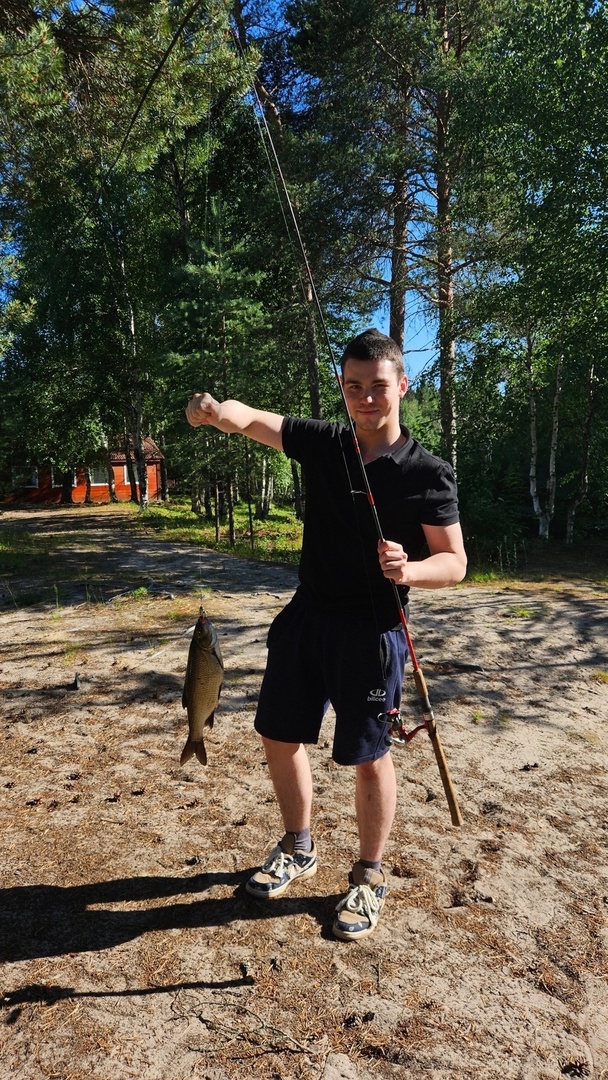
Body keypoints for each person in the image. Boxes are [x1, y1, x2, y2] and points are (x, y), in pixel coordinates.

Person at [185, 328, 467, 941]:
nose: (366, 398)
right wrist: (212, 411)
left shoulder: (428, 472)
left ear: (402, 385)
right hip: (307, 618)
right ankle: (298, 845)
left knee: (369, 755)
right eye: (354, 386)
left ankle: (369, 875)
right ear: (343, 387)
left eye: (378, 386)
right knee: (278, 732)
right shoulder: (325, 442)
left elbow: (455, 563)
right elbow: (251, 420)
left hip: (373, 633)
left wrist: (410, 570)